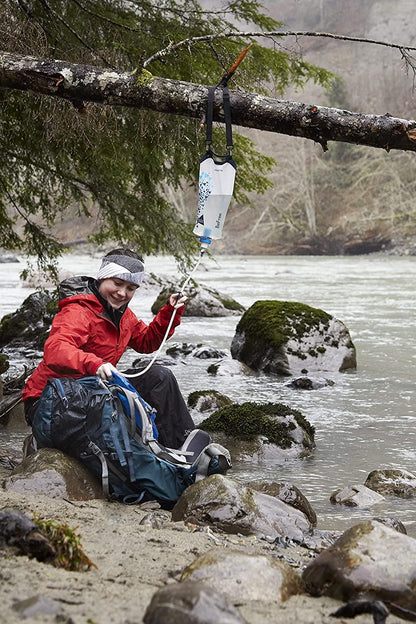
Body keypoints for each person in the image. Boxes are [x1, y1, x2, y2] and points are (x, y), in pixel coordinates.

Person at [22, 248, 195, 449]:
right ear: (102, 278)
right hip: (49, 400)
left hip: (92, 390)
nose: (122, 293)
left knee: (159, 377)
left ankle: (182, 447)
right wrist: (95, 364)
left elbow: (147, 342)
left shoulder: (123, 315)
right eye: (117, 283)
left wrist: (169, 314)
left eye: (131, 288)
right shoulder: (78, 310)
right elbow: (56, 350)